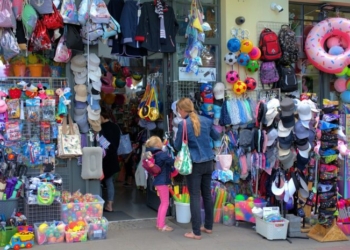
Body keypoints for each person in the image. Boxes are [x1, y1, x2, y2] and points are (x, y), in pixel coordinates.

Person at [174, 97, 220, 240]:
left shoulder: (184, 124)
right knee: (206, 194)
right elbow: (217, 135)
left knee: (194, 195)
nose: (179, 113)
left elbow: (177, 146)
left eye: (178, 111)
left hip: (194, 164)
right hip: (208, 161)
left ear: (182, 110)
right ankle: (208, 226)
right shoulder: (206, 120)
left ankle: (195, 232)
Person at [145, 136, 175, 232]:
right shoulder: (162, 154)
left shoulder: (154, 154)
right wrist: (179, 158)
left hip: (159, 181)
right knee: (165, 203)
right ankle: (162, 225)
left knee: (162, 203)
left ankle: (159, 223)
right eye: (161, 143)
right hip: (163, 182)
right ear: (158, 145)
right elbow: (172, 161)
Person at [100, 108, 121, 212]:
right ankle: (110, 204)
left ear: (101, 117)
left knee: (98, 180)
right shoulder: (116, 127)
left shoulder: (100, 128)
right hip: (113, 156)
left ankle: (99, 204)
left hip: (102, 158)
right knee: (109, 182)